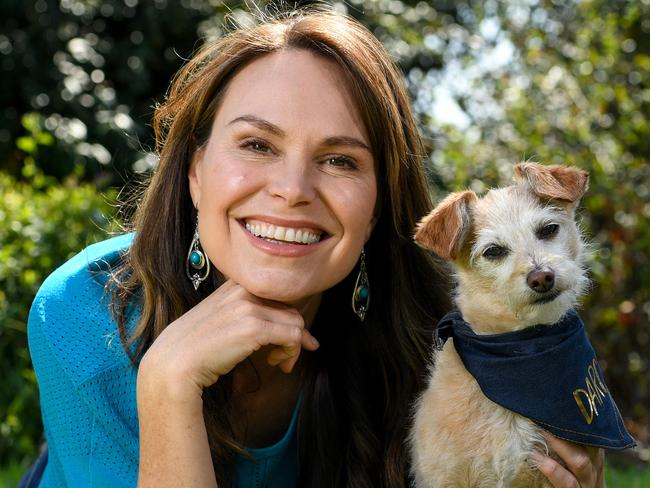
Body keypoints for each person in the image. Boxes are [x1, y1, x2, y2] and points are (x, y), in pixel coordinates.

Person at [26, 6, 605, 487]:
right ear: (196, 171)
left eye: (339, 160)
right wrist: (168, 383)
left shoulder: (437, 339)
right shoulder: (84, 312)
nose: (292, 190)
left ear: (377, 205)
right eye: (256, 144)